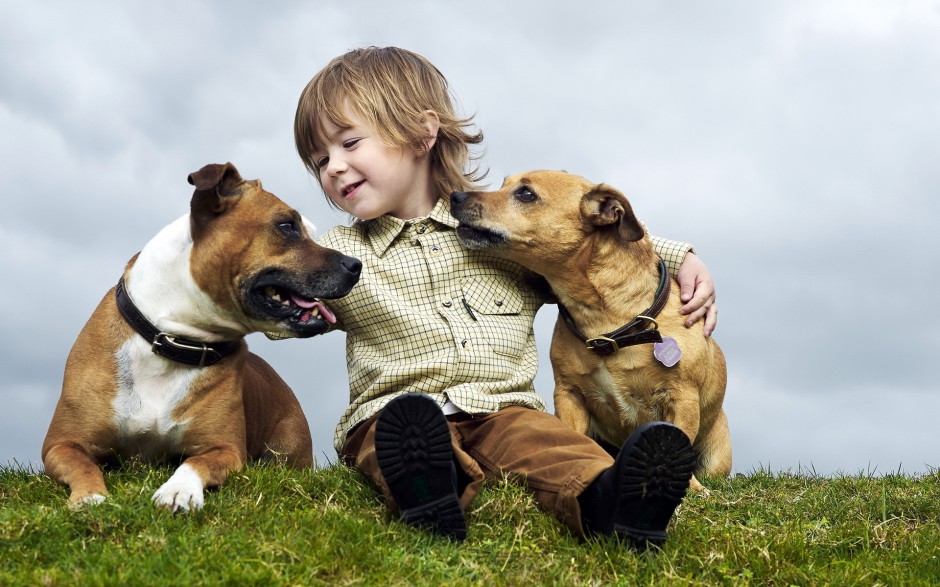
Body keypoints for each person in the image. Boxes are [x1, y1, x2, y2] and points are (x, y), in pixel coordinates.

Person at [288, 46, 717, 549]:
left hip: (504, 410)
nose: (334, 168)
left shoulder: (504, 239)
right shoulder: (336, 255)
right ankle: (428, 494)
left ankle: (614, 500)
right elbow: (275, 294)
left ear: (423, 134)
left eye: (350, 143)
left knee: (555, 447)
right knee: (394, 440)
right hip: (395, 411)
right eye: (320, 160)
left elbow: (587, 250)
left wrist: (680, 256)